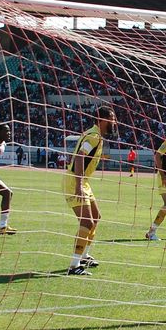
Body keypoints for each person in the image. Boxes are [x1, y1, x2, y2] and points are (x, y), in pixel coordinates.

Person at [63, 106, 117, 275]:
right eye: (112, 119)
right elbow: (79, 156)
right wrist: (79, 184)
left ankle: (84, 256)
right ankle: (74, 265)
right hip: (75, 181)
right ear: (102, 120)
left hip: (82, 181)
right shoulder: (93, 136)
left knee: (96, 217)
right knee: (87, 222)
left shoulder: (96, 136)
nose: (114, 122)